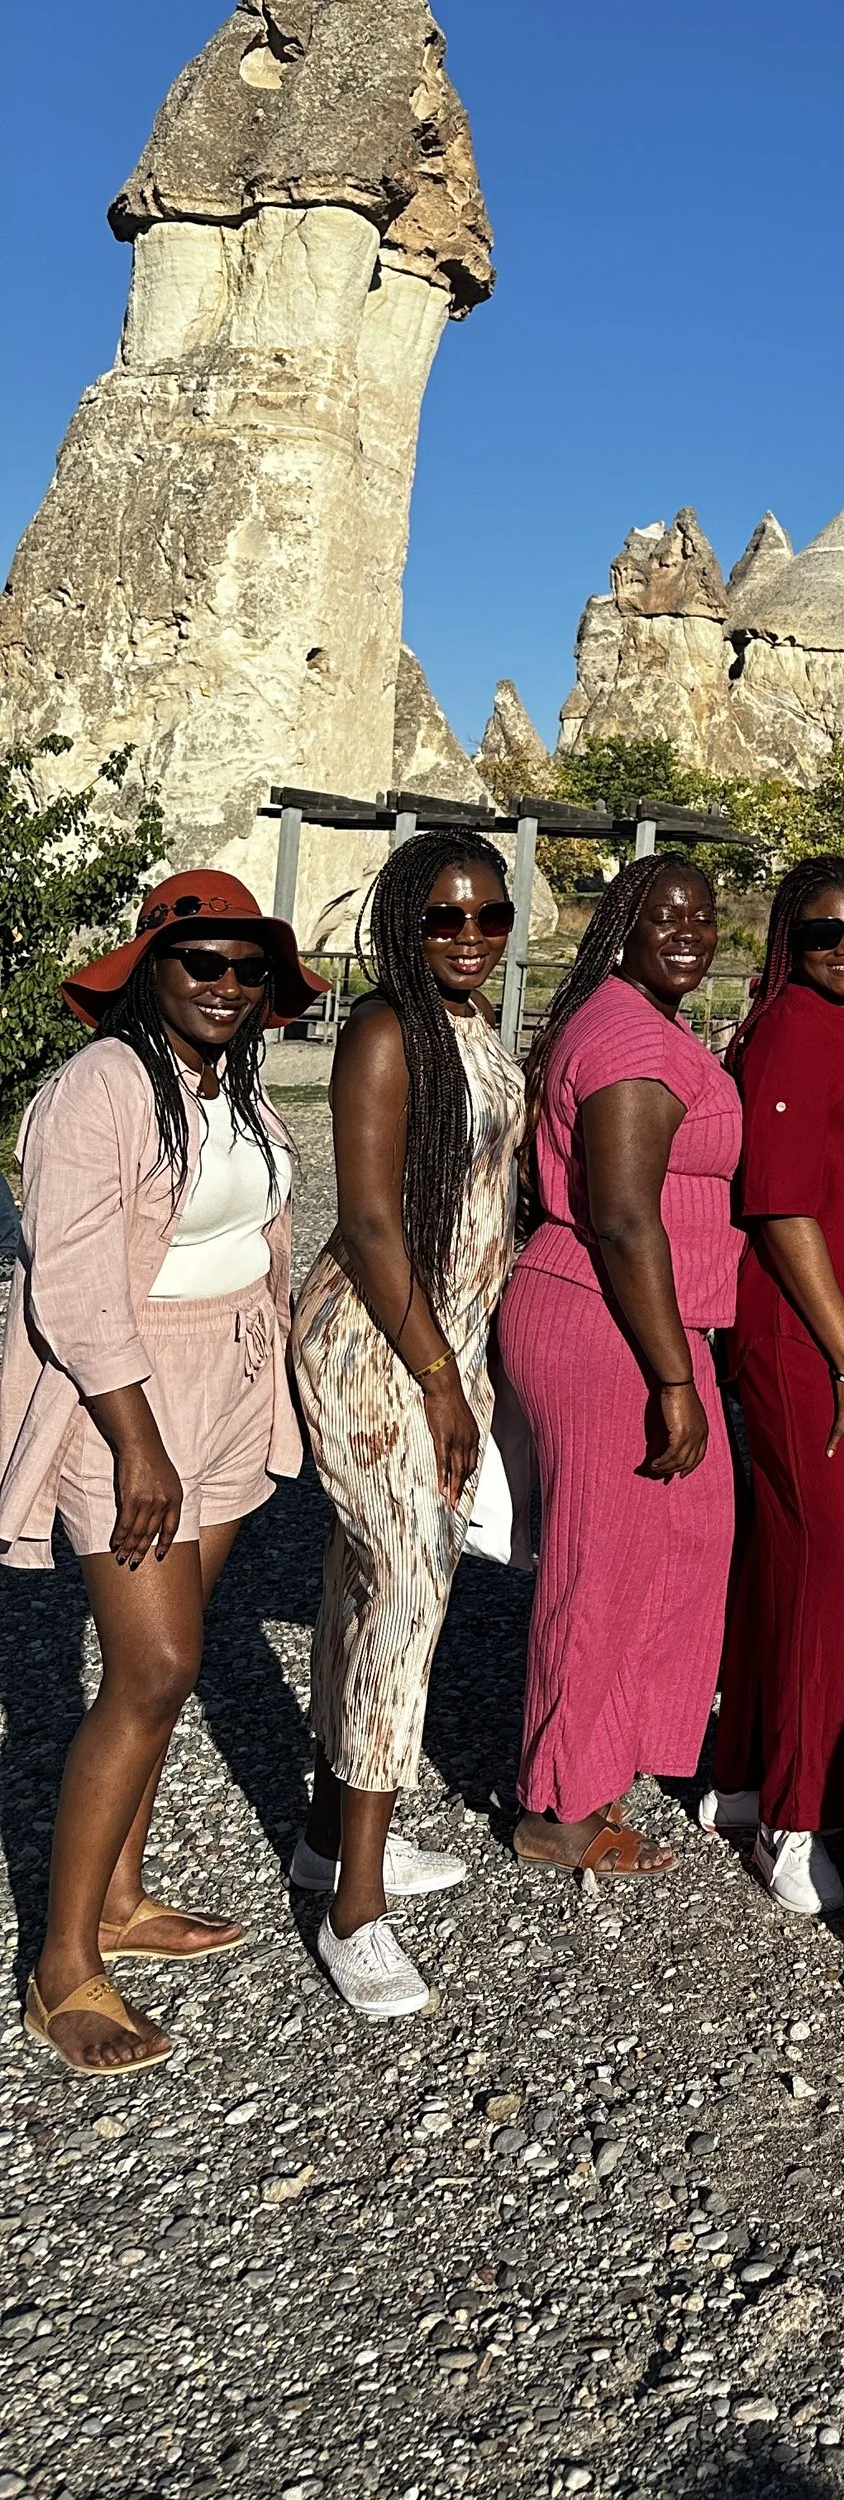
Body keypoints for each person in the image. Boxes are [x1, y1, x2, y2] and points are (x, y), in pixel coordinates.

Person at [2, 872, 322, 2075]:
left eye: (249, 970)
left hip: (233, 1374)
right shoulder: (100, 1088)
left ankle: (125, 1901)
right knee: (157, 1666)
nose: (229, 987)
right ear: (150, 967)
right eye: (204, 965)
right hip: (128, 1390)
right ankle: (63, 1967)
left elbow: (253, 1233)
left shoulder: (225, 1084)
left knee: (171, 1661)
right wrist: (137, 1439)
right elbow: (73, 1285)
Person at [293, 837, 525, 2016]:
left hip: (441, 1346)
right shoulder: (386, 1032)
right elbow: (374, 1223)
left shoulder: (471, 1029)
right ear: (403, 922)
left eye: (490, 913)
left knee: (364, 1585)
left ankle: (334, 1841)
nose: (471, 933)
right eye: (443, 918)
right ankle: (356, 1913)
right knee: (409, 1594)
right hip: (381, 1346)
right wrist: (439, 1380)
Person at [496, 855, 741, 1876]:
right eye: (662, 915)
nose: (687, 930)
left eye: (702, 914)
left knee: (677, 1539)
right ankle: (554, 1804)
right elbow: (626, 1218)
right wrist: (674, 1378)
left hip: (626, 1317)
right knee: (602, 1566)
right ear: (621, 927)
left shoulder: (638, 1019)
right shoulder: (630, 1041)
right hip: (616, 1322)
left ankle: (604, 1759)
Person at [709, 858, 844, 1915]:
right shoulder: (794, 1028)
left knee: (794, 1561)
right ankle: (798, 1820)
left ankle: (748, 1779)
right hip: (807, 1346)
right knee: (839, 1575)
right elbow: (781, 1211)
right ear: (789, 942)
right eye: (822, 932)